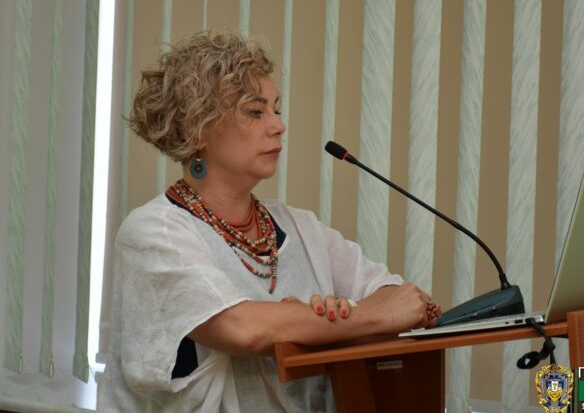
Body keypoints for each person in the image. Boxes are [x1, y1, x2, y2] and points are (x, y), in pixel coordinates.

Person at [97, 28, 441, 412]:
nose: (278, 125)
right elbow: (244, 329)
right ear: (199, 126)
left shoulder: (300, 227)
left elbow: (401, 296)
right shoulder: (153, 232)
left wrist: (316, 320)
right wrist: (345, 317)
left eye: (277, 109)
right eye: (255, 111)